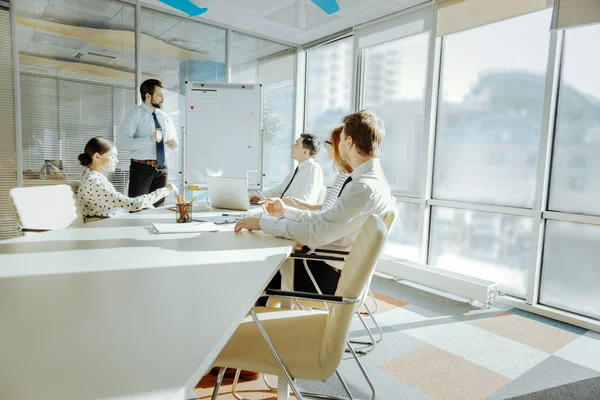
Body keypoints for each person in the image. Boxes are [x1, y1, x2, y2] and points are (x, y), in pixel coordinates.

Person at [235, 109, 396, 298]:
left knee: (253, 273)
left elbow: (316, 233)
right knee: (263, 263)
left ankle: (261, 324)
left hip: (325, 276)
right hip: (326, 264)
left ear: (350, 142)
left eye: (342, 138)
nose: (338, 144)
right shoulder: (371, 181)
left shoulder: (363, 187)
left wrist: (263, 224)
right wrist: (286, 211)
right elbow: (326, 220)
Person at [76, 137, 177, 221]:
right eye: (113, 156)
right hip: (106, 225)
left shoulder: (95, 176)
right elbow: (132, 204)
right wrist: (166, 190)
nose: (117, 161)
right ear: (97, 157)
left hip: (113, 220)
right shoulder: (94, 182)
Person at [119, 79, 179, 207]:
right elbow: (123, 143)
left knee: (159, 208)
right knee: (137, 208)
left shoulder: (165, 117)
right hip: (142, 169)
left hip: (162, 168)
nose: (163, 99)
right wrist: (149, 139)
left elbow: (174, 141)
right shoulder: (134, 115)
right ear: (147, 96)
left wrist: (174, 144)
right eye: (159, 95)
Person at [280, 126, 352, 214]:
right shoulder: (342, 175)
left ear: (337, 147)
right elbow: (327, 208)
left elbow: (325, 215)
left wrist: (292, 208)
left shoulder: (344, 178)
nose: (326, 147)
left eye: (328, 142)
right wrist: (296, 203)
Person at [250, 134, 323, 204]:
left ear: (305, 152)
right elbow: (279, 190)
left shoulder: (313, 168)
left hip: (293, 215)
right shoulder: (298, 171)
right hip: (284, 213)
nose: (292, 147)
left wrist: (276, 202)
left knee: (248, 217)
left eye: (296, 144)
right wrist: (260, 196)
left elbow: (305, 200)